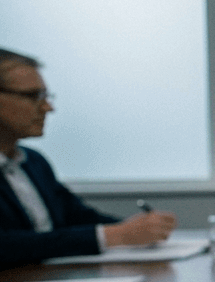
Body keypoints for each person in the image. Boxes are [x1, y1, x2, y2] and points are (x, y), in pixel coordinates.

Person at [0, 48, 176, 269]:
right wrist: (113, 236)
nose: (48, 107)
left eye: (46, 96)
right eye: (32, 96)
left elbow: (78, 216)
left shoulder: (32, 162)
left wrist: (136, 229)